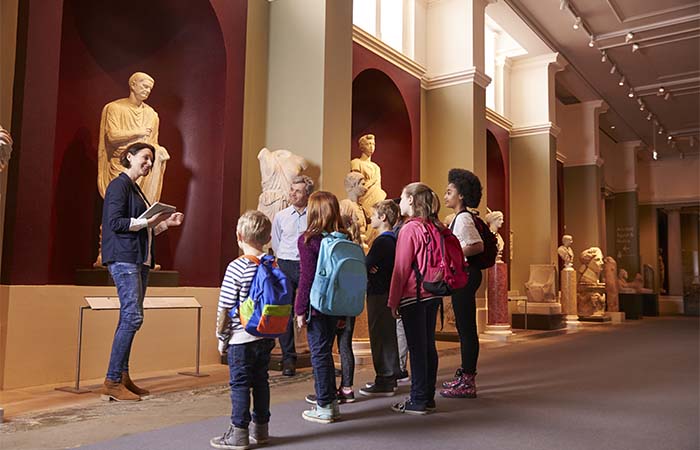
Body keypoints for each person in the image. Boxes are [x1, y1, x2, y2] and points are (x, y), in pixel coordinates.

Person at [100, 142, 184, 402]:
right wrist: (149, 221)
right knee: (133, 318)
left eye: (151, 160)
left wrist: (164, 224)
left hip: (138, 260)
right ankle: (112, 380)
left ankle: (122, 376)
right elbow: (115, 223)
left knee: (129, 318)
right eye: (145, 158)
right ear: (129, 157)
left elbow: (143, 227)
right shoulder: (119, 185)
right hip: (124, 259)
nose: (149, 163)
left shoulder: (136, 189)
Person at [210, 210, 276, 450]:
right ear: (268, 238)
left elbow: (226, 307)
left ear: (238, 236)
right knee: (261, 381)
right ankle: (261, 430)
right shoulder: (272, 263)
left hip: (241, 338)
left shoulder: (237, 266)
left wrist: (221, 338)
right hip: (265, 335)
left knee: (239, 384)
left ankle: (238, 433)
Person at [388, 182, 443, 415]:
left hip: (413, 295)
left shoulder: (409, 229)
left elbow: (400, 268)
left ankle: (418, 399)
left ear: (411, 199)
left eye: (401, 197)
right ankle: (427, 396)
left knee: (417, 349)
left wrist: (393, 301)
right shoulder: (433, 226)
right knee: (428, 346)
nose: (399, 202)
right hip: (432, 293)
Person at [296, 191, 347, 423]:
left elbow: (306, 278)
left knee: (319, 354)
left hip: (317, 304)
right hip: (338, 304)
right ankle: (332, 403)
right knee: (327, 351)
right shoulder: (343, 238)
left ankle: (324, 405)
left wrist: (299, 309)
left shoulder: (309, 240)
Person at [441, 168, 484, 399]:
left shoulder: (464, 218)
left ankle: (468, 381)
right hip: (466, 275)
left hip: (466, 275)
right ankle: (466, 376)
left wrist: (454, 255)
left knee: (467, 330)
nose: (445, 195)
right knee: (465, 328)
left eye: (449, 191)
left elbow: (477, 245)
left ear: (461, 196)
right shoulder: (461, 218)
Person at [270, 175, 314, 376]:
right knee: (286, 311)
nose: (292, 193)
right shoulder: (281, 216)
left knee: (312, 309)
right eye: (291, 189)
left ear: (307, 194)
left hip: (307, 264)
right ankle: (289, 358)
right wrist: (283, 260)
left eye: (297, 190)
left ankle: (317, 355)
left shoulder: (314, 215)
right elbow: (277, 242)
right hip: (286, 263)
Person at [359, 200, 402, 397]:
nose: (371, 218)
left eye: (374, 215)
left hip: (379, 292)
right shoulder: (393, 239)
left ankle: (384, 378)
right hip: (387, 290)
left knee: (380, 335)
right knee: (387, 334)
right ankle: (389, 376)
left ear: (383, 217)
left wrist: (370, 267)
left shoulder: (383, 241)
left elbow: (366, 265)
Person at [351, 134, 387, 219]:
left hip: (376, 199)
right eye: (368, 144)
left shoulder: (376, 167)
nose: (371, 147)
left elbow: (378, 186)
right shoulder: (356, 163)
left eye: (373, 144)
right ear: (362, 147)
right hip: (363, 199)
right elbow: (356, 184)